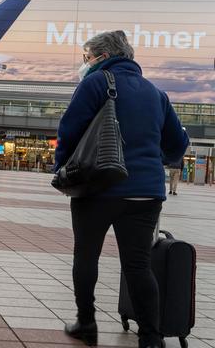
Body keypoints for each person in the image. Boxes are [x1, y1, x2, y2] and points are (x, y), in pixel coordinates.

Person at [54, 31, 189, 348]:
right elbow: (177, 145)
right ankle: (151, 337)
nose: (85, 63)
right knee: (138, 264)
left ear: (102, 56)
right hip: (146, 192)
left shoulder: (96, 83)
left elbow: (70, 129)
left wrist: (61, 170)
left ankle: (86, 323)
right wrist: (153, 160)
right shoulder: (156, 93)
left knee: (86, 257)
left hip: (98, 188)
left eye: (86, 57)